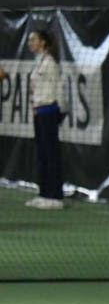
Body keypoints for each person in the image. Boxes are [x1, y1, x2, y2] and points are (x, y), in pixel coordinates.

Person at [0, 30, 66, 209]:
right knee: (42, 154)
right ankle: (44, 194)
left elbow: (59, 88)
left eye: (33, 40)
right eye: (29, 40)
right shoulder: (38, 62)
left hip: (49, 112)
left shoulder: (51, 63)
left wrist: (60, 111)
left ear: (43, 42)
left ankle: (56, 197)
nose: (30, 43)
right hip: (39, 113)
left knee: (51, 154)